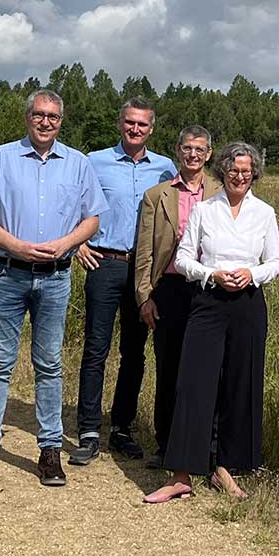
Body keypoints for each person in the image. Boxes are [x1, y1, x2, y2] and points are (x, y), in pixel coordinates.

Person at [0, 89, 107, 489]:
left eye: (54, 117)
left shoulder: (77, 164)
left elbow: (92, 217)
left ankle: (49, 453)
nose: (46, 122)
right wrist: (15, 245)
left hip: (57, 276)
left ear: (61, 121)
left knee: (49, 365)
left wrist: (68, 243)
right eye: (39, 115)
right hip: (9, 273)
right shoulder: (0, 158)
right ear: (28, 117)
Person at [144, 142, 279, 503]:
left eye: (246, 171)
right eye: (233, 170)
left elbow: (276, 262)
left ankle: (225, 469)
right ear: (222, 171)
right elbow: (185, 258)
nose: (239, 176)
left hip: (249, 303)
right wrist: (212, 274)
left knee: (239, 385)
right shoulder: (205, 210)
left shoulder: (264, 212)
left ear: (255, 174)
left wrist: (250, 274)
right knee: (194, 384)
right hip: (208, 300)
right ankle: (181, 475)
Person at [70, 99, 178, 466]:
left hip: (145, 271)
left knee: (134, 353)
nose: (135, 129)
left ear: (151, 129)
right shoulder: (94, 161)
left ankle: (121, 428)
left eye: (142, 125)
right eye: (130, 123)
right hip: (105, 262)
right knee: (95, 348)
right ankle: (88, 430)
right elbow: (71, 202)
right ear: (120, 124)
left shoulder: (166, 169)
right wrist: (77, 243)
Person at [132, 127, 220, 470]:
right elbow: (145, 251)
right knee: (169, 370)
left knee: (208, 372)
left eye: (200, 149)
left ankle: (208, 450)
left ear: (209, 153)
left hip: (209, 289)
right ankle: (166, 445)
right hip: (169, 288)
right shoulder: (158, 195)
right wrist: (144, 297)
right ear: (177, 151)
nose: (193, 155)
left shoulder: (221, 191)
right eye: (187, 148)